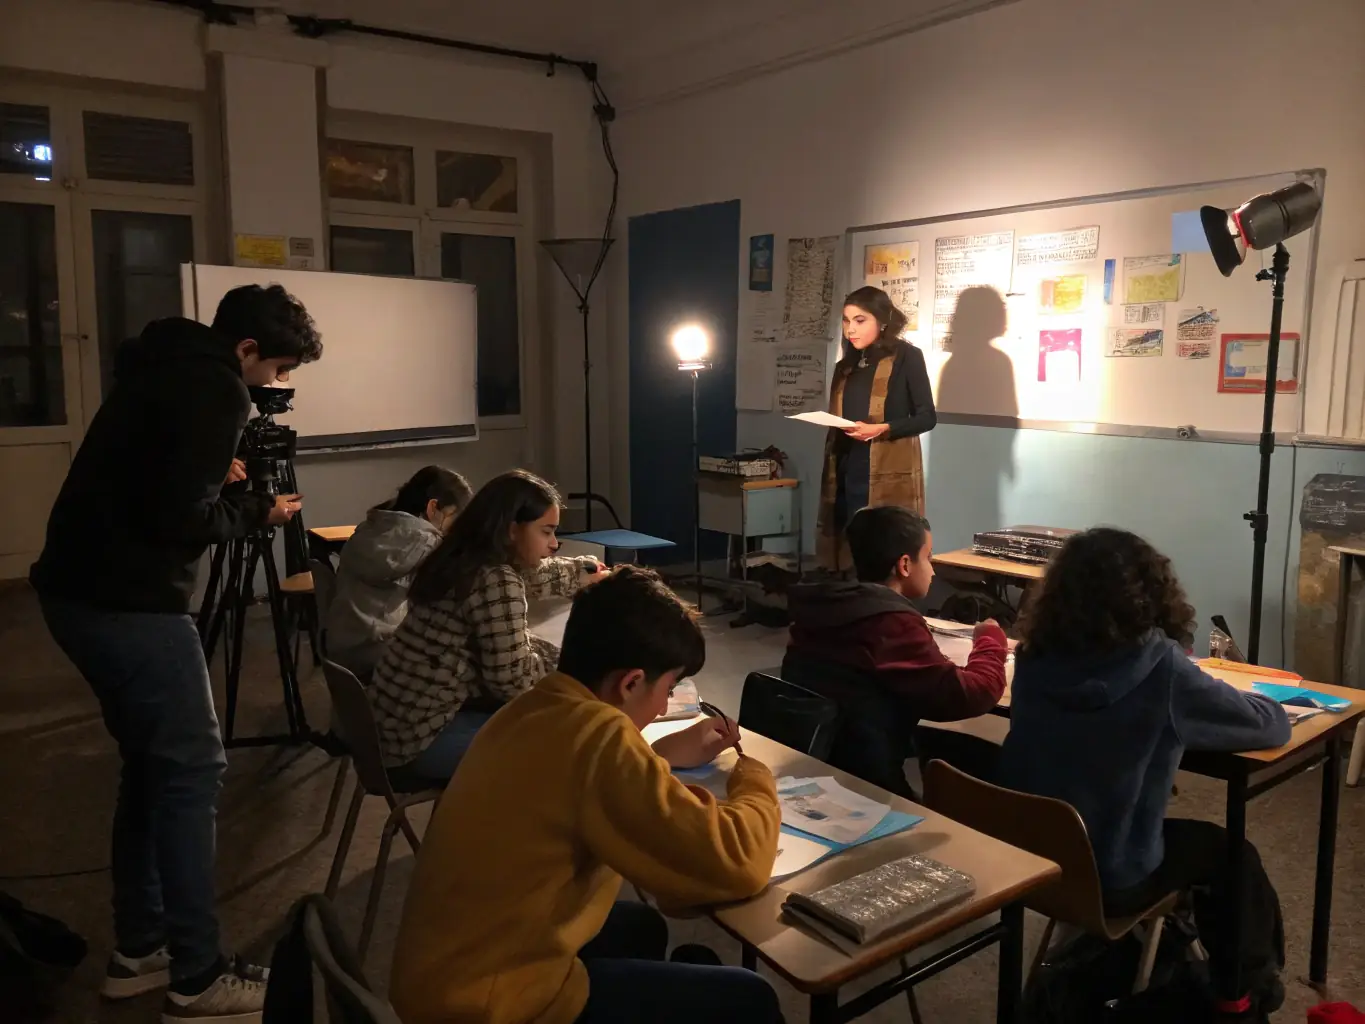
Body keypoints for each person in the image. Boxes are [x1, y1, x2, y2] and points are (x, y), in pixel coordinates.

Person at [29, 284, 323, 1021]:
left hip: (78, 591)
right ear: (247, 349)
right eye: (276, 370)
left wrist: (209, 478)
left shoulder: (163, 366)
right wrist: (257, 508)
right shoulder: (215, 388)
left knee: (153, 768)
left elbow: (153, 482)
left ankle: (141, 949)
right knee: (193, 771)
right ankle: (197, 977)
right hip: (129, 601)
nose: (274, 388)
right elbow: (181, 519)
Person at [389, 566, 783, 1024]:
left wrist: (655, 753)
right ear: (631, 682)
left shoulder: (535, 705)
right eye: (668, 689)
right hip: (493, 1006)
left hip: (446, 971)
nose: (662, 705)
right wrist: (755, 778)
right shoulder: (598, 739)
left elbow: (582, 780)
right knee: (748, 999)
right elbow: (734, 861)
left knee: (640, 925)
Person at [998, 528, 1290, 1019]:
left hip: (1031, 856)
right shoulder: (1162, 669)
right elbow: (1269, 725)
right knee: (1233, 856)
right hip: (1114, 873)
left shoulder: (1033, 657)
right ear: (1154, 594)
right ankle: (1241, 993)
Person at [369, 469, 605, 781]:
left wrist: (583, 572)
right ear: (511, 530)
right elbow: (514, 682)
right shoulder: (494, 579)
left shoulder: (459, 557)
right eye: (546, 532)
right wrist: (574, 667)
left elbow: (534, 575)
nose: (555, 544)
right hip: (417, 742)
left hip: (385, 729)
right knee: (564, 745)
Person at [784, 505, 1007, 795]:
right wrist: (990, 641)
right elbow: (971, 695)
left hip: (816, 763)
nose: (933, 569)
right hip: (867, 785)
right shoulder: (889, 623)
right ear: (904, 565)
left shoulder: (825, 605)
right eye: (927, 558)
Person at [816, 286, 937, 571]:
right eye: (846, 321)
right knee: (848, 545)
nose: (850, 330)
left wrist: (882, 428)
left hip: (885, 470)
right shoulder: (845, 365)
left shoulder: (907, 357)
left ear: (882, 321)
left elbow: (927, 417)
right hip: (845, 467)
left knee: (884, 547)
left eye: (860, 321)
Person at [325, 465, 472, 679]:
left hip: (341, 650)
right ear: (433, 508)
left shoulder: (368, 528)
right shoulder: (426, 543)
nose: (452, 528)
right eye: (452, 517)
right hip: (377, 654)